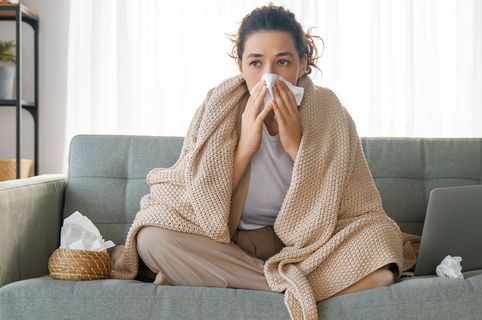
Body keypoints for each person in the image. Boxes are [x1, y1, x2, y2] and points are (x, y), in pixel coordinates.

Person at [121, 4, 417, 319]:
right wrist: (245, 148)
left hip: (312, 246)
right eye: (256, 63)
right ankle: (302, 289)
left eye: (283, 62)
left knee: (382, 238)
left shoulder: (328, 110)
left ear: (303, 64)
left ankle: (202, 278)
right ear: (240, 66)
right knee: (153, 239)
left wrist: (296, 146)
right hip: (236, 242)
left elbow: (352, 205)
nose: (269, 76)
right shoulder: (218, 107)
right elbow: (201, 204)